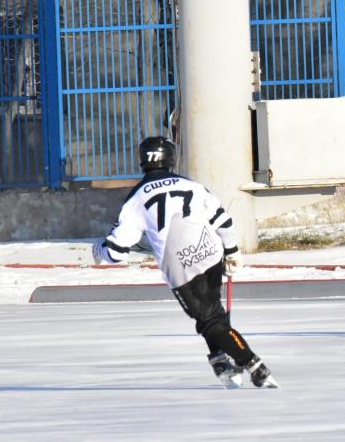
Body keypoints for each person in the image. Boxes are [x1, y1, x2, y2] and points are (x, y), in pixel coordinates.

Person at [91, 136, 277, 389]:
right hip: (210, 254)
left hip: (180, 265)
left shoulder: (136, 198)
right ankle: (220, 360)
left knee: (209, 321)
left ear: (141, 161)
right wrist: (232, 251)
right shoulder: (191, 185)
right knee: (213, 314)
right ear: (170, 158)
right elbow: (223, 219)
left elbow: (116, 252)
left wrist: (98, 251)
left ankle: (255, 366)